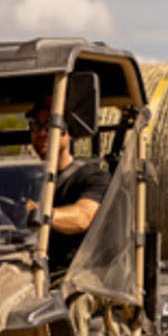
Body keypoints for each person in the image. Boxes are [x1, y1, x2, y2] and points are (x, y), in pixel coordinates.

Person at [29, 99, 109, 274]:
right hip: (20, 272)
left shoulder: (93, 177)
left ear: (70, 133)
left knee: (79, 302)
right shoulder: (20, 178)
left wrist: (36, 212)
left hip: (70, 276)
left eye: (51, 126)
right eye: (36, 126)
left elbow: (83, 218)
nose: (42, 133)